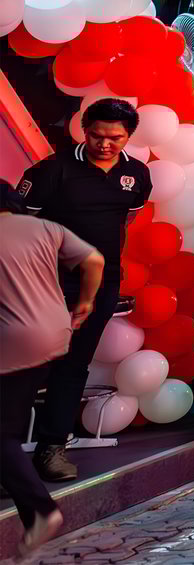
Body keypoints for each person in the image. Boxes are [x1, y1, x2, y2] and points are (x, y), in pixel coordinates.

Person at [17, 98, 151, 482]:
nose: (105, 144)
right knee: (27, 363)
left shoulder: (136, 174)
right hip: (45, 280)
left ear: (128, 136)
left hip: (101, 283)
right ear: (84, 130)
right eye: (96, 136)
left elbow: (125, 222)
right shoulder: (52, 170)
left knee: (74, 364)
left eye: (115, 138)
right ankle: (8, 453)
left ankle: (51, 448)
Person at [0, 212, 104, 553]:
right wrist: (86, 301)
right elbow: (95, 260)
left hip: (13, 338)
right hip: (54, 332)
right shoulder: (46, 227)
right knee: (10, 424)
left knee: (2, 435)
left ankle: (40, 511)